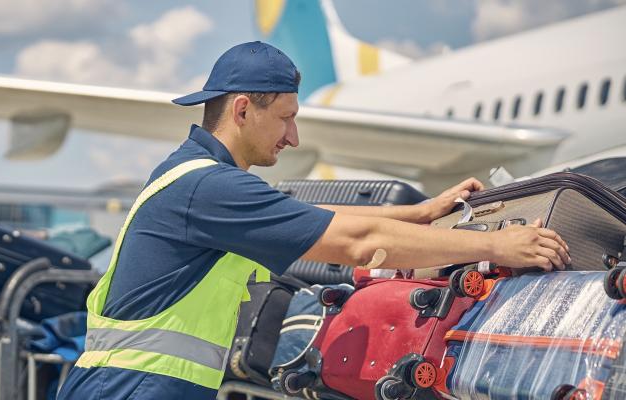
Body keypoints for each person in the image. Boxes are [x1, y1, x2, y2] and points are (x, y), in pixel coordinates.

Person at [56, 41, 570, 400]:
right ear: (242, 110)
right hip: (130, 390)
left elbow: (313, 218)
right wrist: (497, 247)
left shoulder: (200, 179)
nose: (293, 137)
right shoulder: (208, 187)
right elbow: (356, 242)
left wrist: (419, 212)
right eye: (286, 117)